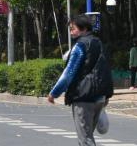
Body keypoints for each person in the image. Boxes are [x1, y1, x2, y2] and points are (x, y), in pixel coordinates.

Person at [47, 14, 114, 146]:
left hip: (83, 97)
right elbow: (105, 70)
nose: (71, 32)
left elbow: (69, 73)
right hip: (100, 97)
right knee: (88, 136)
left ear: (84, 29)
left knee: (85, 139)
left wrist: (54, 93)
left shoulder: (80, 46)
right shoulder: (98, 43)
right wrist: (106, 95)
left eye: (73, 29)